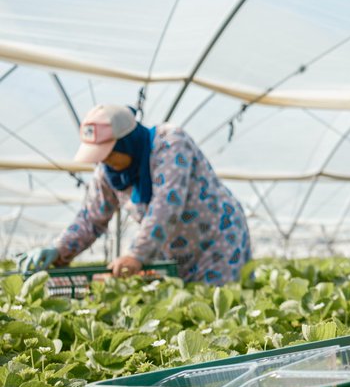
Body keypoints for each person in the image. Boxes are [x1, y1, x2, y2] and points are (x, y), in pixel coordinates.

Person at [14, 104, 251, 285]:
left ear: (125, 142)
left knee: (219, 309)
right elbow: (92, 217)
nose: (103, 160)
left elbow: (167, 204)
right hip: (175, 253)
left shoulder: (170, 143)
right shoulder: (109, 172)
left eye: (108, 153)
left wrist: (136, 254)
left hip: (217, 241)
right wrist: (59, 248)